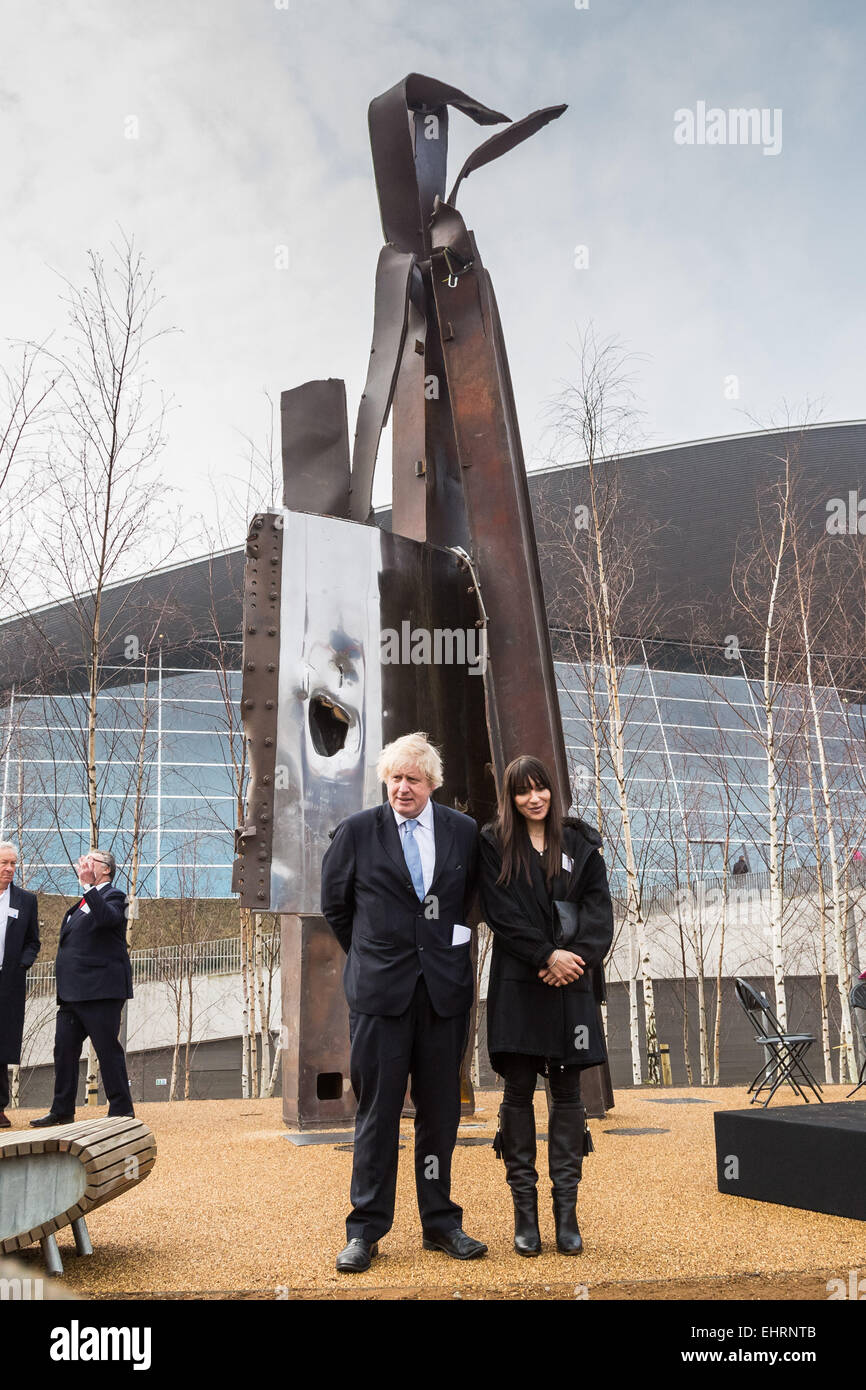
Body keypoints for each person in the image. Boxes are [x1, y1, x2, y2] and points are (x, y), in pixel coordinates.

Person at [321, 732, 486, 1272]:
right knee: (377, 1114)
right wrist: (375, 955)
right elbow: (337, 907)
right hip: (379, 997)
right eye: (394, 778)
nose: (402, 788)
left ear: (433, 784)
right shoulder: (356, 833)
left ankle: (441, 1224)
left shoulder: (463, 833)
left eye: (413, 779)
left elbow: (469, 900)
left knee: (440, 1117)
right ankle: (365, 1229)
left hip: (443, 997)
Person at [478, 755, 613, 1256]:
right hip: (521, 980)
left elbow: (600, 909)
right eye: (522, 791)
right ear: (510, 798)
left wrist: (573, 959)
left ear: (552, 792)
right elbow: (501, 912)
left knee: (567, 1092)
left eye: (541, 789)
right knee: (517, 1093)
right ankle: (525, 1216)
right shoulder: (493, 842)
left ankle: (567, 1216)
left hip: (571, 984)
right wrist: (545, 954)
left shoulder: (581, 843)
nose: (533, 798)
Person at [31, 849, 134, 1127]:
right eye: (84, 860)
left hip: (100, 991)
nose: (85, 864)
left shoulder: (115, 896)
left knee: (106, 1049)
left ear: (107, 870)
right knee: (63, 1050)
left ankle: (121, 1109)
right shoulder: (79, 905)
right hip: (72, 993)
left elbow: (107, 919)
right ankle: (62, 1109)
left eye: (92, 861)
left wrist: (89, 886)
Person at [0, 842, 40, 1128]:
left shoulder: (25, 900)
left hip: (9, 982)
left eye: (13, 863)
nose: (9, 869)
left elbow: (33, 941)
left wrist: (22, 963)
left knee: (2, 1046)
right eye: (4, 863)